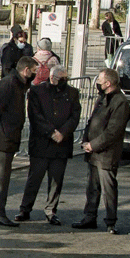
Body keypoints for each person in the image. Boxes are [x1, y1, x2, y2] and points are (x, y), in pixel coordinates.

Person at [17, 66, 80, 224]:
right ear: (52, 78)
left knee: (56, 179)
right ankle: (25, 209)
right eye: (61, 79)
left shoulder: (72, 93)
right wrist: (51, 132)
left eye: (66, 78)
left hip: (61, 145)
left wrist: (63, 133)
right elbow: (35, 116)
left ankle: (51, 210)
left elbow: (75, 116)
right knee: (34, 178)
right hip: (41, 143)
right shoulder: (37, 92)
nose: (64, 82)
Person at [74, 68, 130, 234]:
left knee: (108, 189)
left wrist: (94, 144)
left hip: (107, 154)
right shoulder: (103, 98)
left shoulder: (120, 102)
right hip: (93, 151)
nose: (97, 84)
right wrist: (87, 140)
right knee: (92, 187)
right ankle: (89, 217)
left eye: (99, 80)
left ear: (108, 83)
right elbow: (93, 120)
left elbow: (113, 131)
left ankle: (111, 222)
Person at [0, 56, 38, 227]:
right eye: (34, 71)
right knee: (1, 176)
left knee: (2, 175)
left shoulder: (18, 84)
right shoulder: (9, 84)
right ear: (26, 70)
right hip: (3, 136)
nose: (35, 75)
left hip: (9, 135)